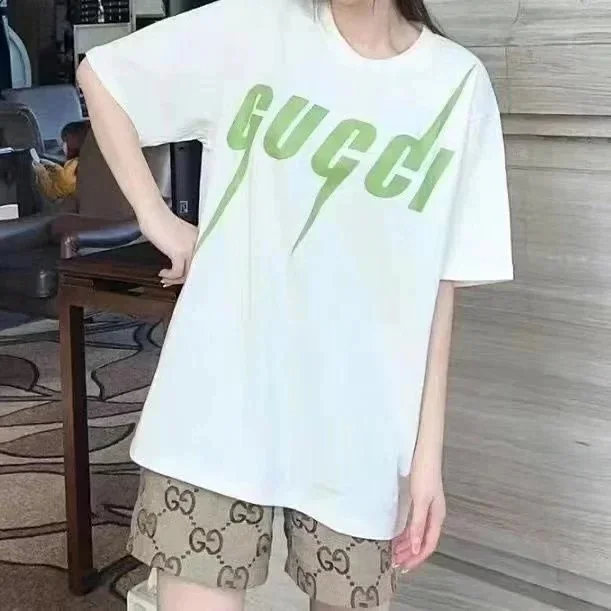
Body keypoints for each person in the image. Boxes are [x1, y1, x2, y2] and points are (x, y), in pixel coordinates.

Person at [77, 0, 513, 609]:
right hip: (218, 408)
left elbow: (437, 289)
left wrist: (427, 459)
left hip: (361, 431)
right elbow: (103, 76)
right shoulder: (251, 28)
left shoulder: (456, 84)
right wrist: (159, 219)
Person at [33, 120, 90, 201]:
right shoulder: (92, 162)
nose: (62, 145)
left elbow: (53, 193)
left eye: (65, 141)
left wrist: (41, 174)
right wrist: (55, 168)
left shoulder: (73, 169)